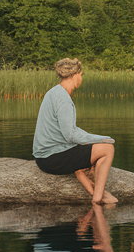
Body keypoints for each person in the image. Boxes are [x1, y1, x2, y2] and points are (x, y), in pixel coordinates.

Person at [33, 58, 116, 204]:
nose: (81, 79)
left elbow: (70, 132)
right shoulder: (63, 99)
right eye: (81, 75)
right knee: (108, 149)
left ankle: (82, 173)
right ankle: (98, 198)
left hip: (45, 156)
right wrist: (103, 139)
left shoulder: (54, 92)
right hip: (51, 159)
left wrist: (95, 139)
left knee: (92, 146)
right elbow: (71, 135)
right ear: (74, 75)